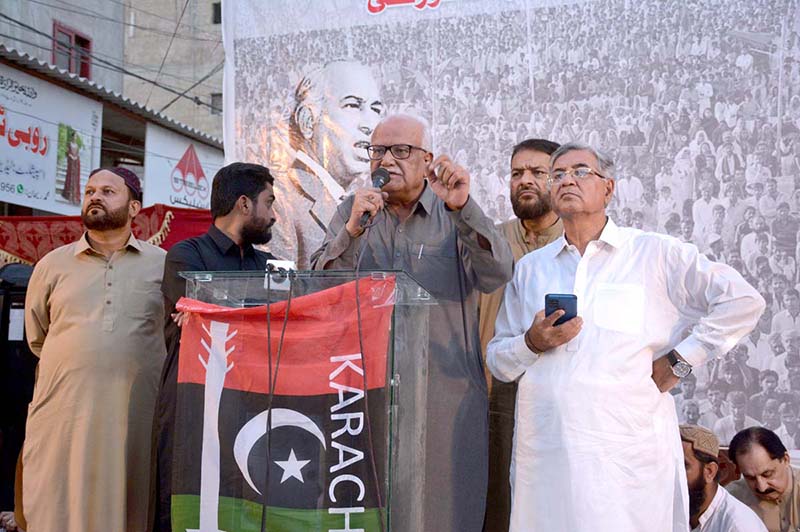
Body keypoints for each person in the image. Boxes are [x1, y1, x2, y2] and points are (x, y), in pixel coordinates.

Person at [487, 142, 764, 532]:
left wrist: (682, 360)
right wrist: (532, 342)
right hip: (548, 460)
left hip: (627, 466)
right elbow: (498, 360)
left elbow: (743, 300)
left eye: (581, 171)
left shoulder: (653, 254)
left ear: (609, 188)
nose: (567, 180)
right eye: (559, 174)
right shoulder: (532, 270)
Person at [311, 113, 513, 531]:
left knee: (441, 512)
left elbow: (498, 272)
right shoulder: (355, 211)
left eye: (401, 151)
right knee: (368, 505)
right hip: (362, 396)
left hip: (444, 392)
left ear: (427, 160)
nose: (387, 160)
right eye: (378, 150)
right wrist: (350, 232)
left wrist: (463, 208)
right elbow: (318, 287)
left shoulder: (454, 213)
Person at [23, 167, 166, 532]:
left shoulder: (162, 265)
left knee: (131, 500)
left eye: (107, 191)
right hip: (66, 412)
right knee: (59, 501)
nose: (95, 197)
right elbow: (37, 336)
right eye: (89, 191)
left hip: (135, 413)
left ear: (134, 208)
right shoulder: (52, 265)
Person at [152, 162, 277, 531]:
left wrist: (211, 311)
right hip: (195, 403)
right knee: (185, 503)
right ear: (243, 204)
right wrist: (232, 313)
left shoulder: (268, 265)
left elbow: (275, 320)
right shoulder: (185, 255)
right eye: (268, 203)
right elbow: (193, 313)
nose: (273, 215)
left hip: (253, 403)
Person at [477, 138, 563, 532]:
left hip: (556, 399)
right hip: (494, 393)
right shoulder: (490, 243)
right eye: (516, 173)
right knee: (496, 504)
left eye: (537, 172)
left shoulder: (578, 243)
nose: (524, 181)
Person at [272, 60, 384, 269]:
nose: (370, 124)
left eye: (376, 109)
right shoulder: (280, 198)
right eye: (352, 105)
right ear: (307, 121)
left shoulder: (359, 200)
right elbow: (279, 293)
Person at [680, 425, 767, 531]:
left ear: (710, 472)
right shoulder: (674, 510)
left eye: (682, 466)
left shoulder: (738, 526)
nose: (673, 476)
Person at [727, 427, 800, 531]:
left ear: (785, 459)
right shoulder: (732, 499)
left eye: (768, 474)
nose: (762, 487)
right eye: (750, 478)